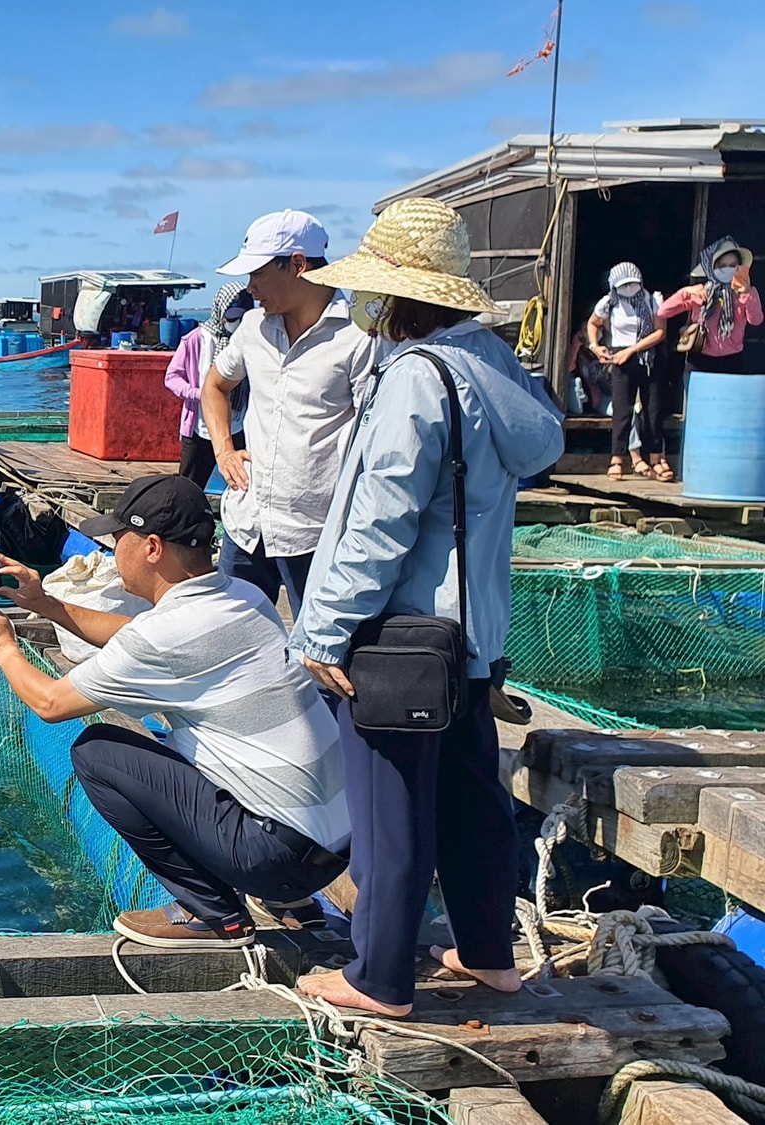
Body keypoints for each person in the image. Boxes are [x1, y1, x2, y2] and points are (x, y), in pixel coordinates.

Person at [288, 199, 565, 1016]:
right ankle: (489, 953)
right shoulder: (496, 368)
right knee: (476, 797)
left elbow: (379, 519)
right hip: (472, 639)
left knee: (390, 808)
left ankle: (377, 976)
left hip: (399, 638)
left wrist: (329, 626)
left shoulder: (416, 375)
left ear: (395, 297)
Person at [0, 474, 351, 951]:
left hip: (274, 858)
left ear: (151, 547)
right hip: (334, 847)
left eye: (115, 540)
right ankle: (289, 905)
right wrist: (46, 603)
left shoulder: (166, 637)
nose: (111, 551)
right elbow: (136, 635)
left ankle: (212, 913)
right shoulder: (243, 598)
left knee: (97, 752)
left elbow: (49, 704)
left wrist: (2, 647)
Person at [200, 210, 378, 616]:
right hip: (247, 524)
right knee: (229, 644)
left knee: (321, 660)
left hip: (318, 531)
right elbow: (213, 386)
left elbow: (375, 433)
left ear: (298, 265)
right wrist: (224, 451)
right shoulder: (252, 328)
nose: (250, 287)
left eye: (258, 274)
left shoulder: (358, 337)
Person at [165, 283, 253, 488]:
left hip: (238, 425)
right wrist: (199, 394)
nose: (237, 322)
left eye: (243, 316)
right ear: (220, 311)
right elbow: (172, 377)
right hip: (200, 428)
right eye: (232, 316)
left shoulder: (248, 341)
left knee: (244, 483)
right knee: (188, 487)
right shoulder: (195, 340)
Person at [588, 263, 669, 481]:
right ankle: (617, 458)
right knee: (622, 410)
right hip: (619, 357)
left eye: (632, 284)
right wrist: (595, 346)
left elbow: (660, 332)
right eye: (623, 285)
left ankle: (656, 458)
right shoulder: (609, 302)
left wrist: (633, 350)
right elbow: (593, 323)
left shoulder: (652, 300)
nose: (629, 289)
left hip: (648, 357)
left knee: (653, 410)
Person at [659, 236, 761, 378]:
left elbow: (756, 320)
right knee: (698, 400)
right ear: (711, 268)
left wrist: (747, 294)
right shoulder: (700, 292)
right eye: (722, 265)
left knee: (729, 400)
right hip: (699, 360)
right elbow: (663, 311)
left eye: (733, 265)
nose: (728, 269)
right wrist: (685, 292)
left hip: (731, 361)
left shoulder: (745, 293)